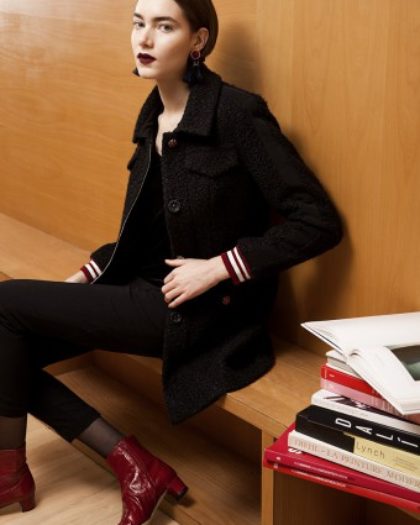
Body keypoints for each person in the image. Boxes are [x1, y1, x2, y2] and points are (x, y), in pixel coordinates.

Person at [0, 0, 343, 523]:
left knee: (3, 304)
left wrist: (220, 266)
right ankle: (130, 465)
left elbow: (318, 220)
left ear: (198, 40)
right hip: (147, 287)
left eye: (165, 26)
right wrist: (88, 275)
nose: (145, 38)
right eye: (139, 24)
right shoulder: (153, 117)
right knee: (7, 343)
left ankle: (33, 475)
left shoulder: (236, 113)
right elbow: (144, 231)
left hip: (206, 312)